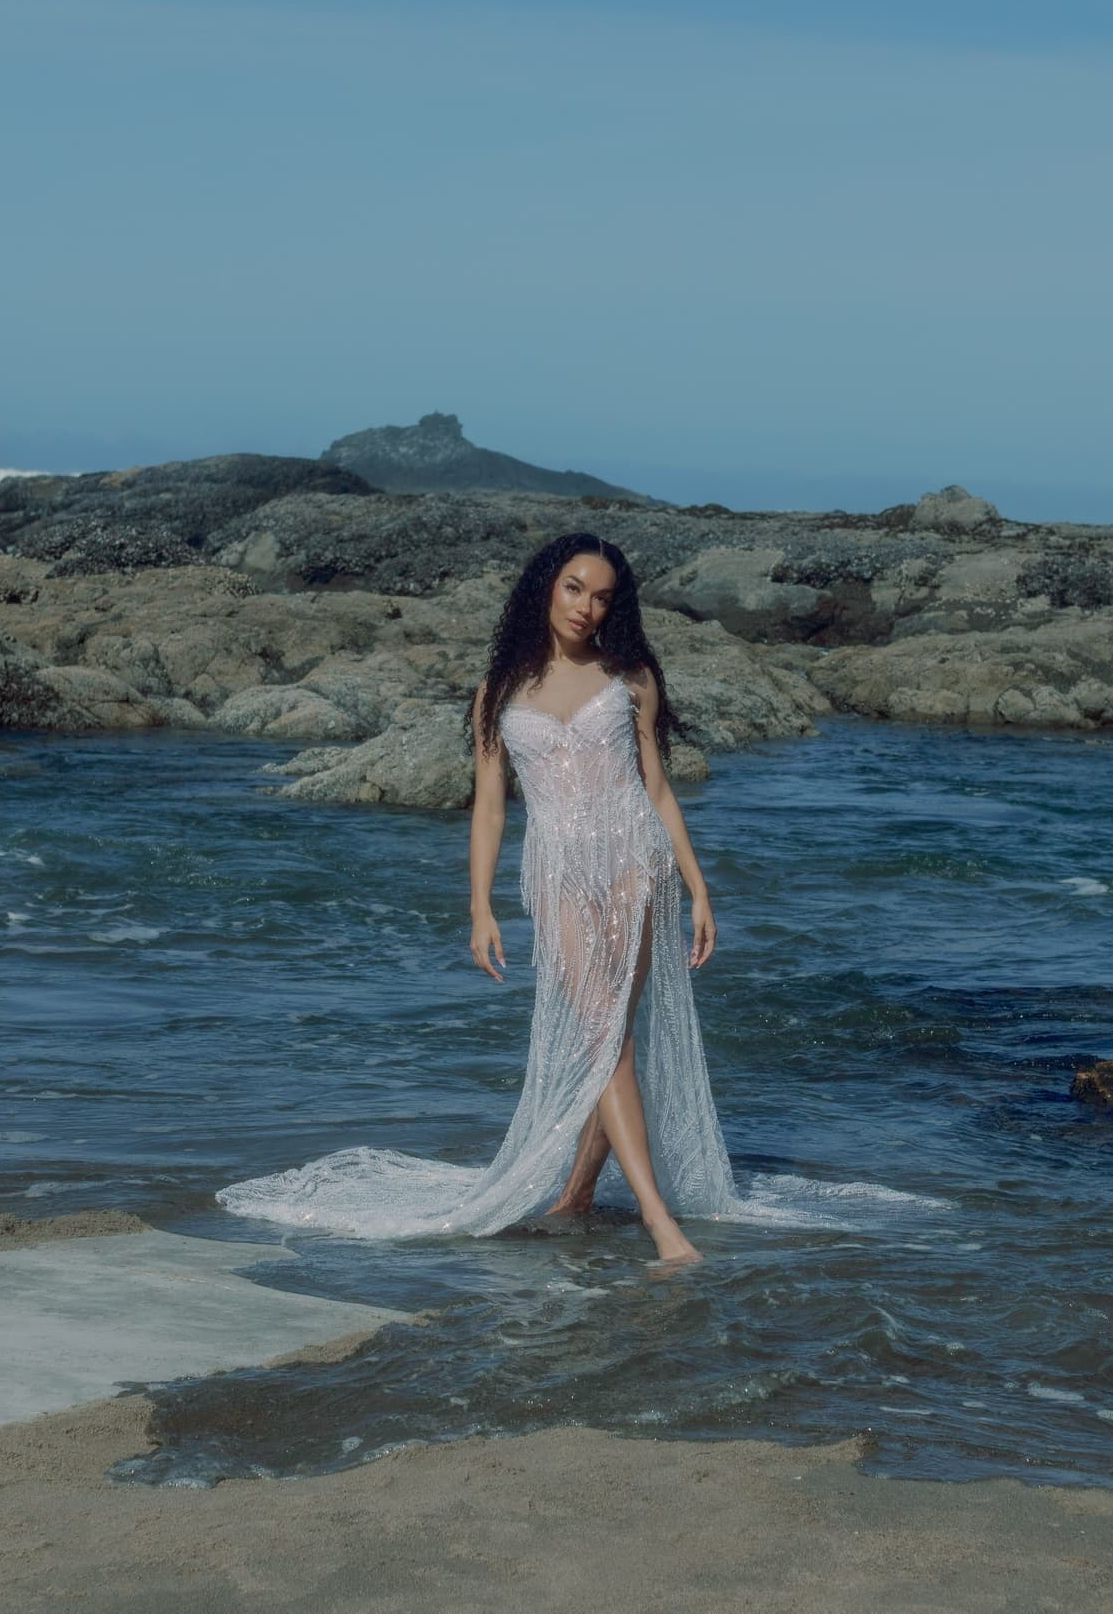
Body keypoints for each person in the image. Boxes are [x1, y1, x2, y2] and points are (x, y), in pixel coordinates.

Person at [218, 532, 745, 1263]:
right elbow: (490, 808)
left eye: (600, 596)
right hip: (557, 870)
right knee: (602, 1036)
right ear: (544, 587)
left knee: (610, 1035)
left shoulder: (630, 676)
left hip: (634, 862)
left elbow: (655, 787)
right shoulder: (498, 693)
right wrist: (480, 906)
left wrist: (696, 887)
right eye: (573, 588)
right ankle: (661, 1226)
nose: (585, 607)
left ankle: (579, 1196)